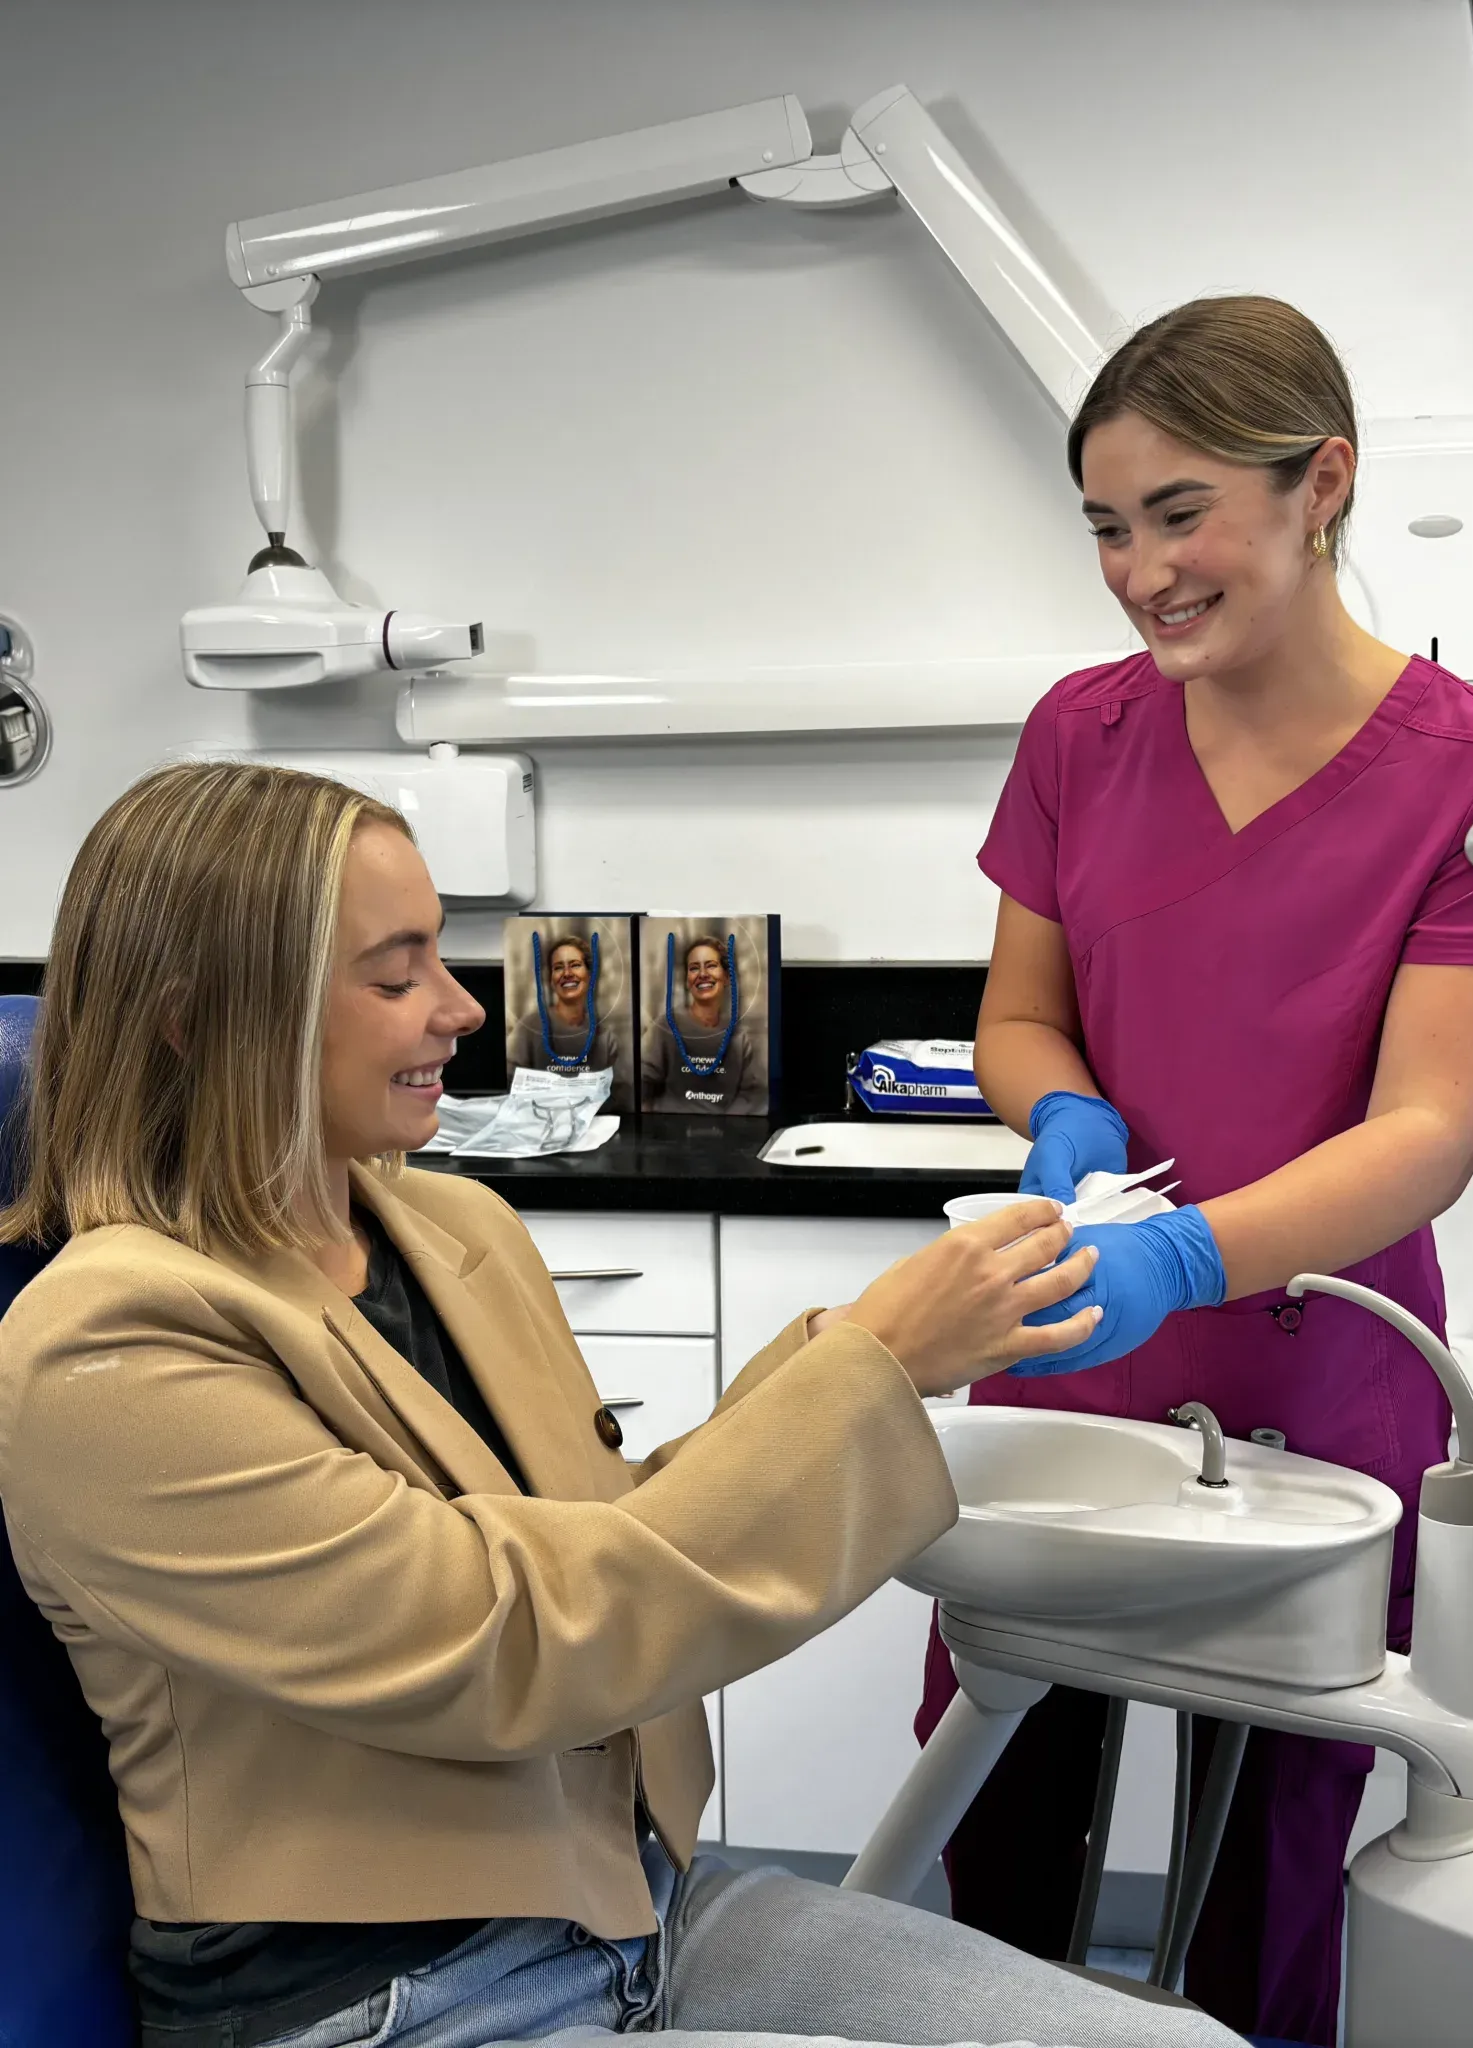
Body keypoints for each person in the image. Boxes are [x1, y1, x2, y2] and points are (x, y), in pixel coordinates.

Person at [0, 761, 1246, 2048]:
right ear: (194, 1021)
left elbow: (612, 1525)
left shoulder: (449, 1225)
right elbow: (520, 1640)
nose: (460, 1008)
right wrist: (874, 1359)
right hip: (388, 2003)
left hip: (630, 1907)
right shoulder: (108, 1353)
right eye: (395, 973)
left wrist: (882, 1353)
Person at [916, 296, 1473, 2048]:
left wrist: (1187, 1257)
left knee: (1279, 1853)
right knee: (1000, 1797)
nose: (1137, 570)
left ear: (1319, 483)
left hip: (1316, 1358)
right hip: (1067, 1338)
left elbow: (1426, 1129)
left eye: (1178, 513)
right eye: (1108, 526)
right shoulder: (1078, 734)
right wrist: (1067, 1124)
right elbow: (1020, 1015)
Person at [641, 933, 766, 1114]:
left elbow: (752, 1094)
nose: (702, 974)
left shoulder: (739, 1038)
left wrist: (727, 1124)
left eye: (711, 966)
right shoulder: (666, 1026)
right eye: (693, 968)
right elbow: (641, 1084)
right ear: (687, 981)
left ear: (727, 977)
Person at [508, 933, 622, 1078]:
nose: (567, 973)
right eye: (558, 967)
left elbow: (618, 1093)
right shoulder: (528, 1029)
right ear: (551, 979)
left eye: (575, 965)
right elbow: (509, 1083)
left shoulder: (605, 1038)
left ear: (590, 975)